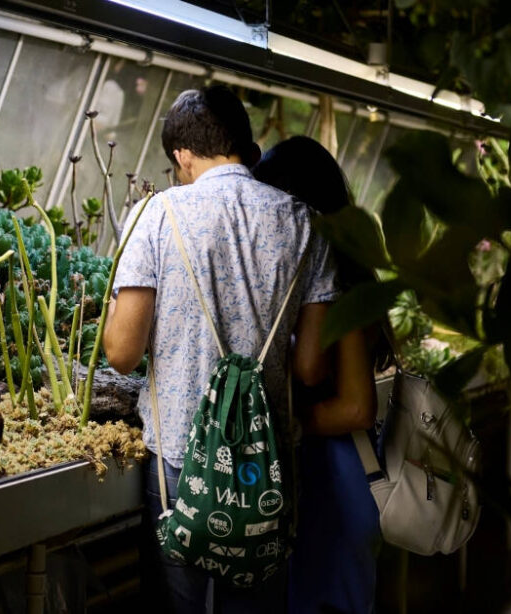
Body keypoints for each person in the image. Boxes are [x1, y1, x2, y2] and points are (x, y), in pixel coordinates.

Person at [103, 87, 340, 612]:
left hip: (178, 459)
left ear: (182, 156)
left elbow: (121, 352)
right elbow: (308, 368)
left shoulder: (156, 215)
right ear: (242, 143)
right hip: (265, 459)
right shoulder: (306, 224)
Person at [253, 135, 382, 613]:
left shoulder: (338, 287)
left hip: (334, 484)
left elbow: (355, 407)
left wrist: (285, 428)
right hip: (334, 482)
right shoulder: (346, 271)